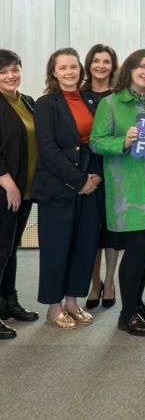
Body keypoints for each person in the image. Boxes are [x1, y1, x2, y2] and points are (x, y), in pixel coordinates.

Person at [89, 48, 145, 336]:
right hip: (131, 188)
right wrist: (123, 141)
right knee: (137, 249)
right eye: (141, 67)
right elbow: (96, 142)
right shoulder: (111, 103)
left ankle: (136, 303)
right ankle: (127, 315)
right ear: (130, 69)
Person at [32, 47, 103, 330]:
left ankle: (72, 303)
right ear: (53, 72)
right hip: (57, 185)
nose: (69, 72)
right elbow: (47, 148)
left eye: (73, 66)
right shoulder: (45, 103)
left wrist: (95, 176)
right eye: (63, 68)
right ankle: (54, 307)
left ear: (80, 70)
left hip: (91, 181)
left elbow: (100, 139)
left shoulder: (92, 100)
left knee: (84, 246)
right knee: (56, 248)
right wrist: (79, 180)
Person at [81, 44, 125, 310]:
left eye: (106, 61)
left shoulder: (119, 96)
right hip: (86, 173)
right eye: (96, 61)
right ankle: (94, 283)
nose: (101, 66)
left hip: (115, 170)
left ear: (113, 65)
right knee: (91, 232)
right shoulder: (78, 95)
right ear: (89, 65)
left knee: (112, 229)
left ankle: (109, 282)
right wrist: (90, 173)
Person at [0, 49, 39, 339]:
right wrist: (8, 184)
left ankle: (9, 303)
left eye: (14, 69)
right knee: (0, 251)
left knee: (11, 248)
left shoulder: (26, 101)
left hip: (24, 190)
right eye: (3, 72)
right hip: (6, 190)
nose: (10, 75)